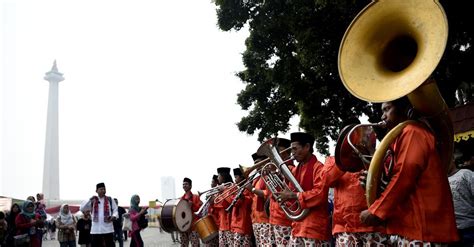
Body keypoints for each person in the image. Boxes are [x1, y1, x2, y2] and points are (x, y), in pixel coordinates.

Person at [359, 97, 459, 245]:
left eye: (387, 109)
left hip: (423, 228)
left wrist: (376, 211)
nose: (382, 116)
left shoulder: (412, 131)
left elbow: (403, 176)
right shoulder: (400, 137)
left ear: (402, 108)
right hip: (412, 226)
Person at [277, 132, 331, 246]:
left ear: (307, 147)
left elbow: (319, 194)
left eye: (295, 149)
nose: (293, 153)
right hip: (297, 227)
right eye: (292, 150)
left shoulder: (319, 167)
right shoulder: (296, 170)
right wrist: (284, 197)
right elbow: (290, 196)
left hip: (315, 228)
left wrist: (293, 196)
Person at [322, 156, 387, 246]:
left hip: (373, 226)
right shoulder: (332, 159)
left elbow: (386, 184)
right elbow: (327, 181)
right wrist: (345, 159)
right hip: (344, 227)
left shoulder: (376, 155)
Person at [80, 182, 118, 247]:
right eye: (101, 189)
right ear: (96, 191)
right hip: (96, 230)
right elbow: (82, 208)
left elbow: (115, 210)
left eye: (104, 189)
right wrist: (90, 200)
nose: (103, 190)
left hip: (108, 229)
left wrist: (114, 216)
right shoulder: (93, 201)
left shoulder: (109, 199)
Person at [246, 153, 272, 246]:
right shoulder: (256, 179)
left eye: (257, 162)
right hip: (256, 220)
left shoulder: (269, 176)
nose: (255, 166)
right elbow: (252, 198)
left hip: (265, 219)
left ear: (264, 162)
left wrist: (252, 189)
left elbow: (268, 194)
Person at [448, 161, 474, 246]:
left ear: (452, 159)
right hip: (451, 231)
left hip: (469, 228)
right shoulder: (439, 181)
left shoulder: (466, 174)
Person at [229, 167, 253, 246]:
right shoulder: (238, 189)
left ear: (242, 177)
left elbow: (251, 200)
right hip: (235, 224)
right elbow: (232, 203)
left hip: (243, 225)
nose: (234, 180)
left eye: (236, 177)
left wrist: (243, 198)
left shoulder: (248, 188)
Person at [214, 167, 234, 246]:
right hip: (222, 224)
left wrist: (224, 191)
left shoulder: (232, 186)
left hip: (229, 224)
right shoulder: (221, 188)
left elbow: (230, 203)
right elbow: (216, 205)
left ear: (223, 176)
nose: (217, 178)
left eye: (218, 176)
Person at [180, 177, 202, 247]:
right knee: (183, 245)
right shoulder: (181, 199)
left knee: (195, 245)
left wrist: (192, 205)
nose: (184, 186)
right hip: (184, 226)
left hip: (193, 226)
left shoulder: (196, 197)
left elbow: (199, 210)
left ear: (190, 186)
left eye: (186, 184)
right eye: (183, 184)